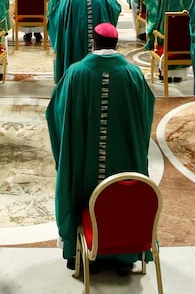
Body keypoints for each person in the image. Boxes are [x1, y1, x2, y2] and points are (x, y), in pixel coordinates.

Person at [47, 22, 155, 272]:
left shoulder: (75, 73)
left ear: (93, 43)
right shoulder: (133, 74)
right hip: (123, 156)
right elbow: (146, 111)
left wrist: (67, 146)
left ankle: (81, 253)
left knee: (80, 189)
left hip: (82, 158)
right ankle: (124, 255)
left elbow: (56, 112)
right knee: (124, 193)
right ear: (116, 44)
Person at [49, 0, 121, 85]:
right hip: (99, 48)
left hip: (73, 46)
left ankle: (73, 82)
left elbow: (54, 20)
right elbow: (116, 9)